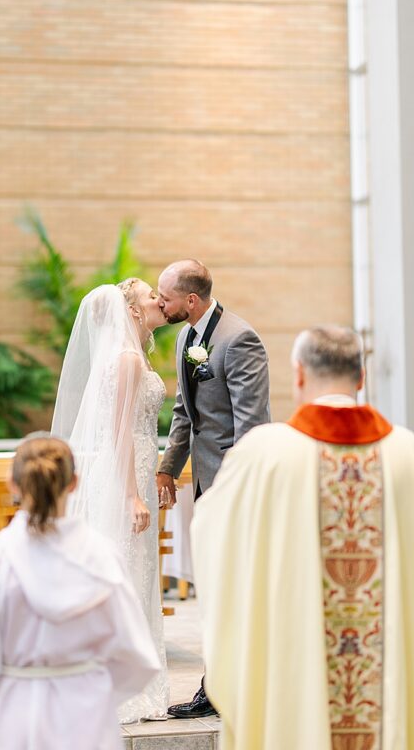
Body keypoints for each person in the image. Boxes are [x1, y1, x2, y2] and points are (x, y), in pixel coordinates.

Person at [191, 326, 414, 750]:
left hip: (295, 674)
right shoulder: (407, 454)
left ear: (297, 375)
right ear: (361, 378)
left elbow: (210, 536)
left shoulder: (263, 455)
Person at [0, 434, 161, 750]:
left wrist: (12, 679)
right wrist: (90, 685)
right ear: (74, 483)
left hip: (14, 710)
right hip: (86, 714)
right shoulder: (101, 557)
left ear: (12, 483)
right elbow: (135, 655)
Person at [153, 259, 270, 719]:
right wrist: (167, 469)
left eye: (166, 297)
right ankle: (219, 686)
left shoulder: (239, 339)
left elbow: (252, 426)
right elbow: (186, 413)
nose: (161, 303)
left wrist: (237, 494)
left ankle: (233, 690)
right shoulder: (187, 338)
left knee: (236, 591)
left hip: (234, 491)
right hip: (205, 487)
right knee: (217, 592)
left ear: (191, 300)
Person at [50, 280, 171, 722]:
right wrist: (133, 496)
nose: (158, 300)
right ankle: (118, 687)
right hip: (125, 476)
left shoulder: (130, 356)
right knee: (125, 575)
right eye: (148, 296)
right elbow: (119, 433)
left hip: (130, 470)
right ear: (133, 311)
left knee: (131, 574)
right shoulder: (126, 360)